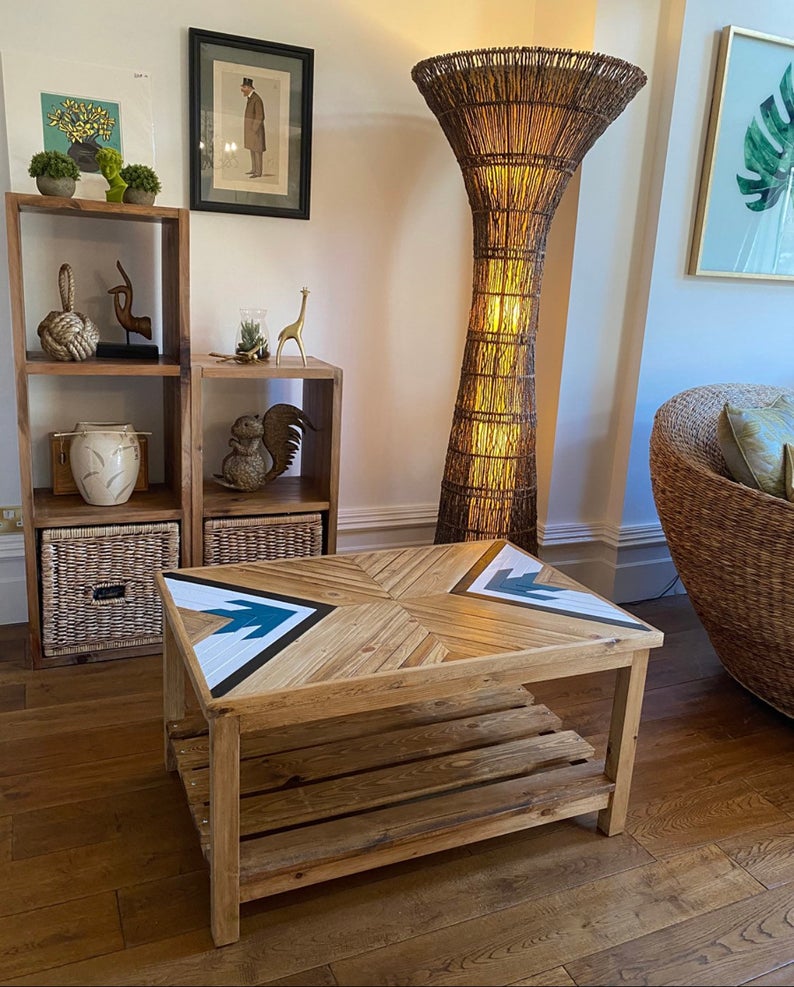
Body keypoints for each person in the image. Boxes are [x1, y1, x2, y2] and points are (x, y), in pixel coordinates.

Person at [240, 77, 265, 178]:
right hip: (251, 131)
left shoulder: (257, 99)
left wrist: (253, 129)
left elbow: (260, 116)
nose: (242, 90)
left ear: (249, 88)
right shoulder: (250, 98)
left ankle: (258, 172)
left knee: (257, 151)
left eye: (244, 87)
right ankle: (254, 169)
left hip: (256, 131)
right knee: (252, 149)